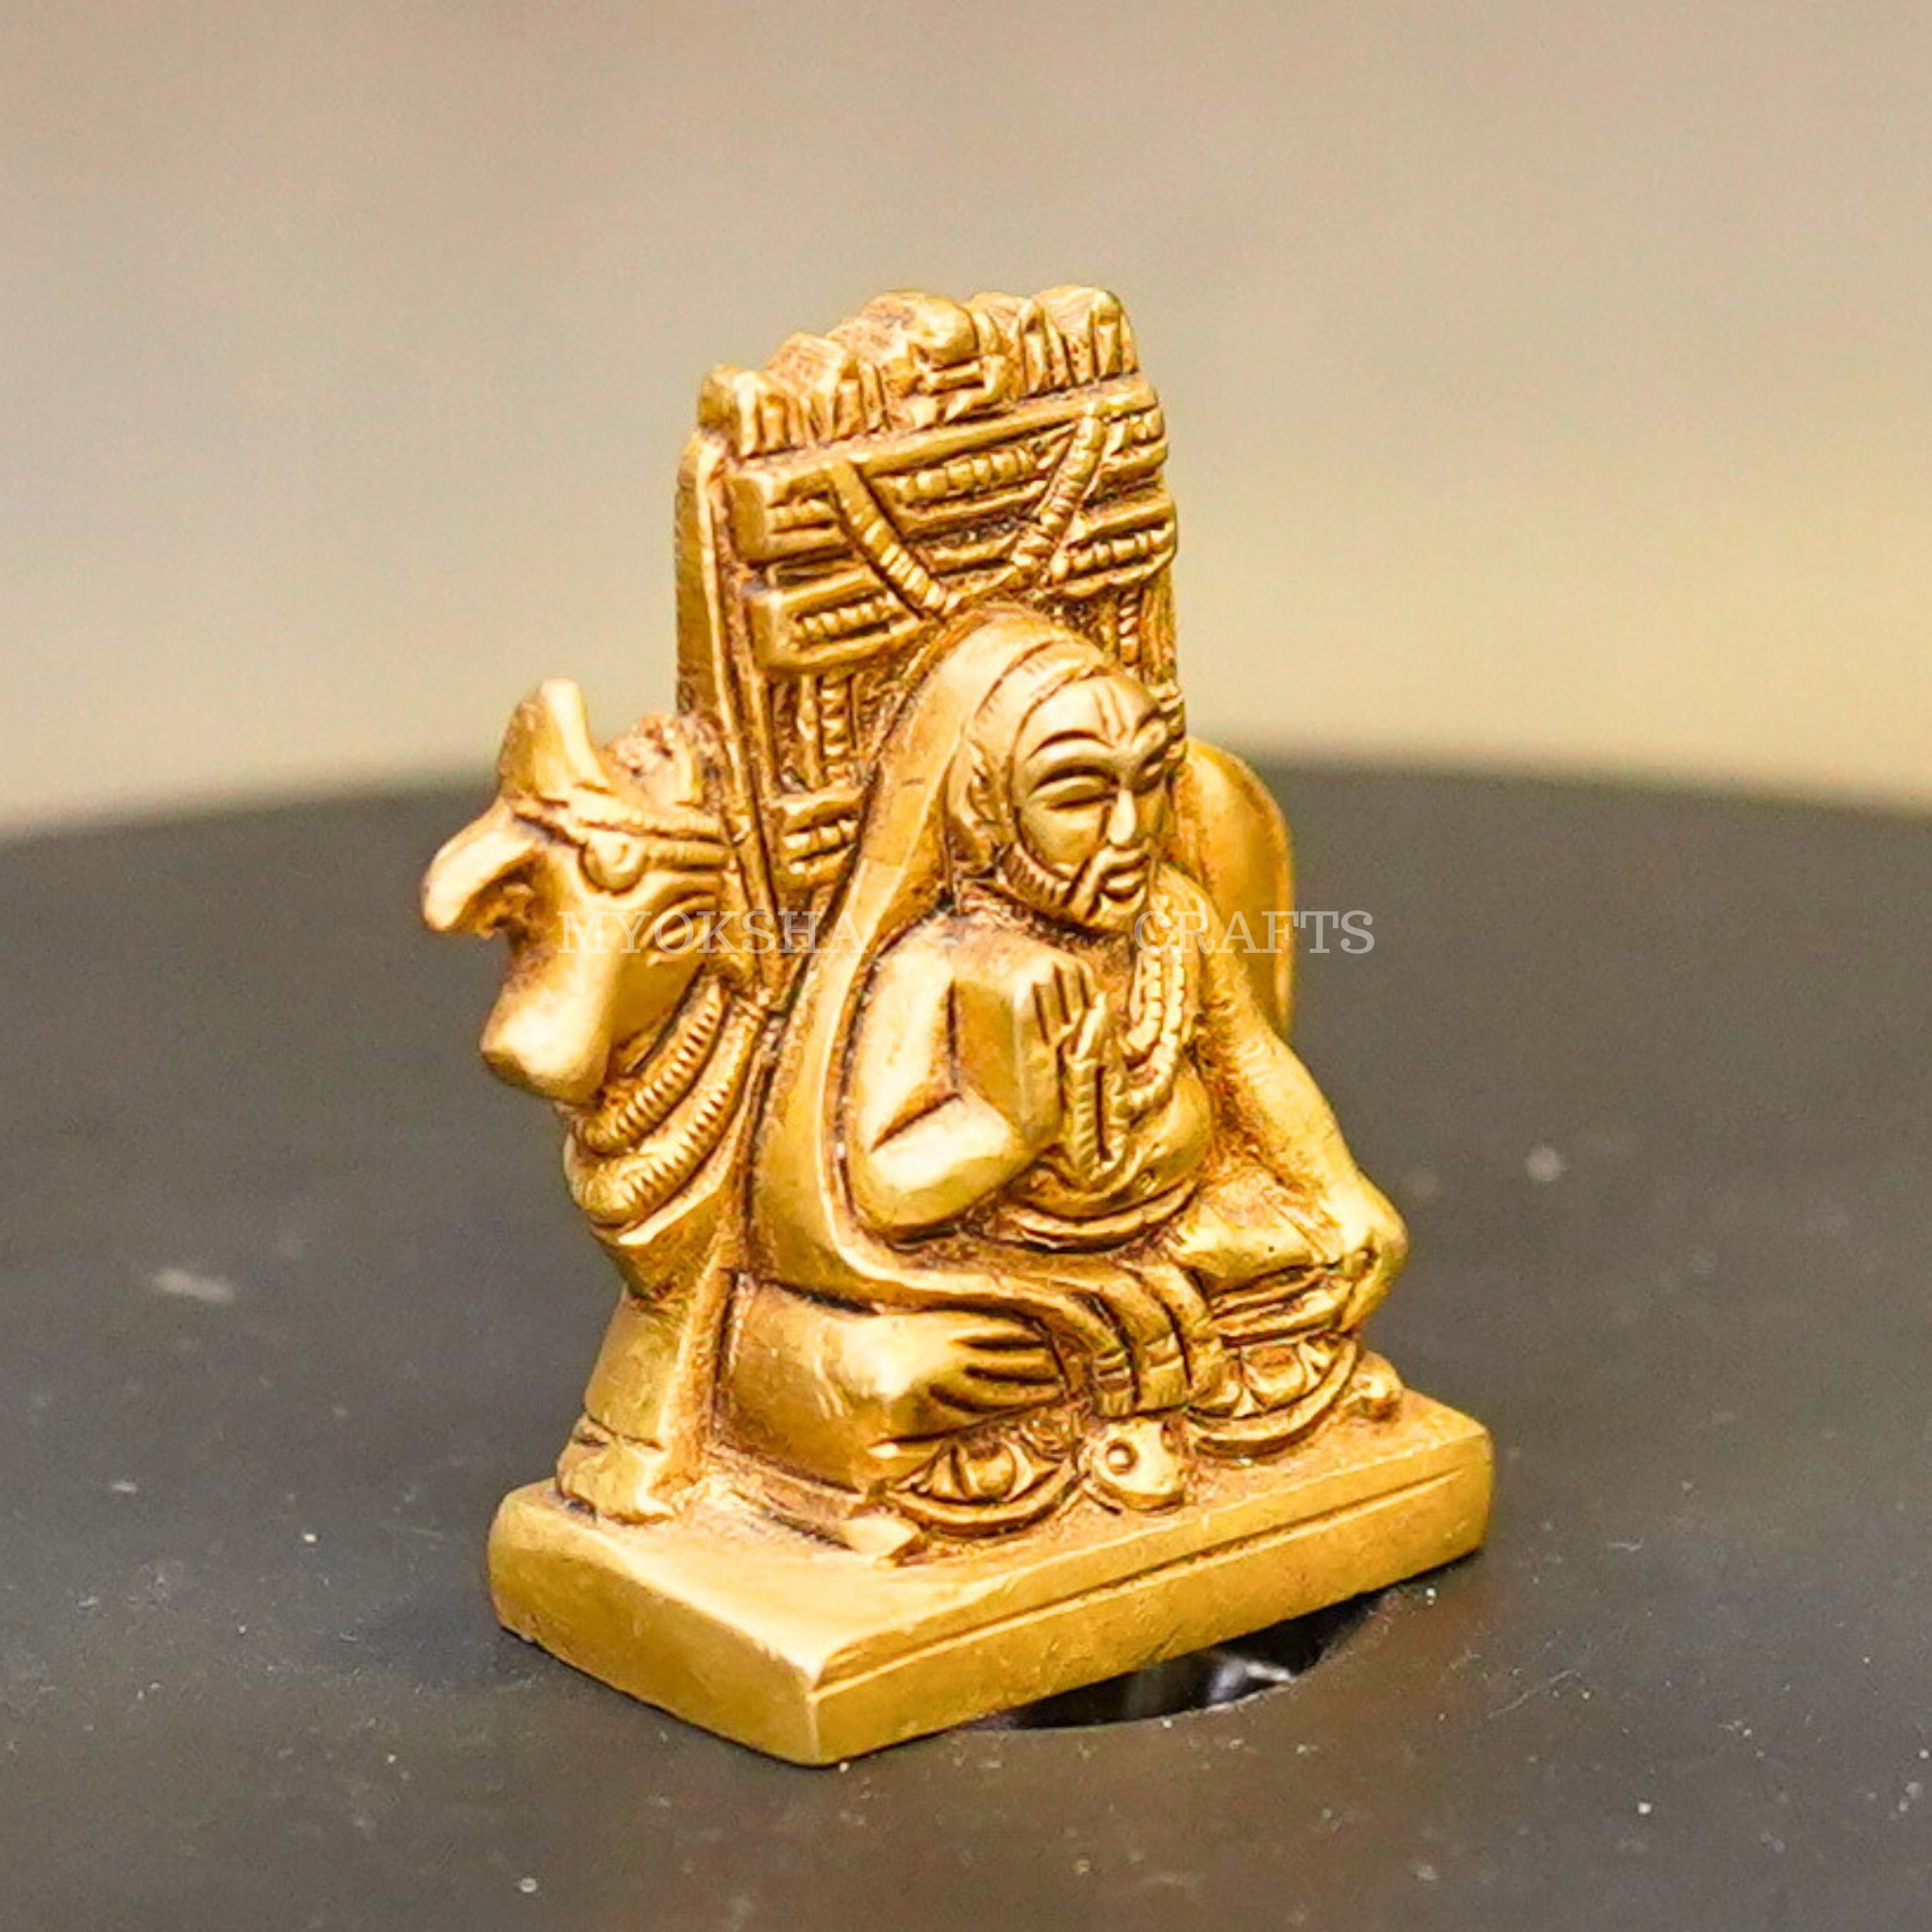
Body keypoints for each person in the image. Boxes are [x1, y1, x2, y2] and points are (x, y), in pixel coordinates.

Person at [723, 608, 1405, 1535]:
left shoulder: (1174, 919)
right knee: (889, 1377)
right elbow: (876, 1191)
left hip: (1178, 1236)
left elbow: (1247, 1060)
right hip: (1004, 1281)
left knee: (1317, 1259)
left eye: (1147, 784)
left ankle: (1137, 1396)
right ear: (983, 809)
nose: (1127, 830)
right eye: (1078, 794)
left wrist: (1337, 1189)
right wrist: (1001, 1127)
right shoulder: (930, 970)